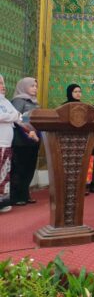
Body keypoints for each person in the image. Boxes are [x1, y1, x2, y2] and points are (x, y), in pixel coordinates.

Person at [10, 77, 40, 206]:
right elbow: (19, 119)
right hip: (21, 140)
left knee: (29, 168)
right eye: (32, 86)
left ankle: (24, 193)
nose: (35, 88)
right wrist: (29, 131)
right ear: (23, 86)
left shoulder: (35, 102)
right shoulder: (18, 100)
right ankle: (16, 196)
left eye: (36, 86)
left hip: (33, 140)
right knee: (19, 168)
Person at [0, 74, 23, 213]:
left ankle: (2, 200)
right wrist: (12, 117)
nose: (2, 86)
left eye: (2, 83)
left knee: (4, 173)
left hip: (7, 144)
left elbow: (19, 116)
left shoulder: (6, 101)